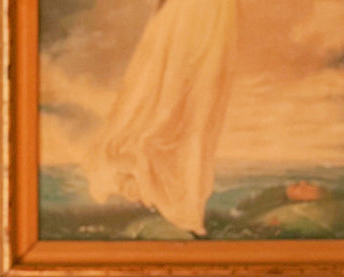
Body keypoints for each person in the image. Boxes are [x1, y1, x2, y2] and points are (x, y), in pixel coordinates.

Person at [85, 0, 238, 235]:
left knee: (200, 107)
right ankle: (165, 193)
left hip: (215, 14)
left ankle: (187, 201)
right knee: (163, 101)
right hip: (186, 14)